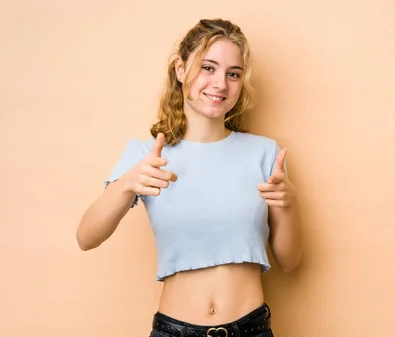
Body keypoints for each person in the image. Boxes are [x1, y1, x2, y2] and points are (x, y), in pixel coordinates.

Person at [76, 18, 302, 337]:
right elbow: (86, 237)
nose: (221, 84)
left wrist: (289, 204)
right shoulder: (146, 155)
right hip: (174, 331)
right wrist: (127, 184)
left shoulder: (265, 154)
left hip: (251, 329)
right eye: (208, 68)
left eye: (233, 74)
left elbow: (290, 261)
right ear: (180, 69)